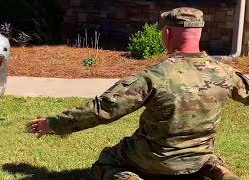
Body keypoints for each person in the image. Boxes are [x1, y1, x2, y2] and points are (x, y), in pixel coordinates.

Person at [27, 7, 244, 180]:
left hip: (154, 158)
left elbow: (104, 109)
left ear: (167, 33)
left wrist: (54, 124)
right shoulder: (225, 72)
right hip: (198, 156)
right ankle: (218, 171)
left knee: (107, 161)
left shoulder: (155, 76)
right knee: (207, 159)